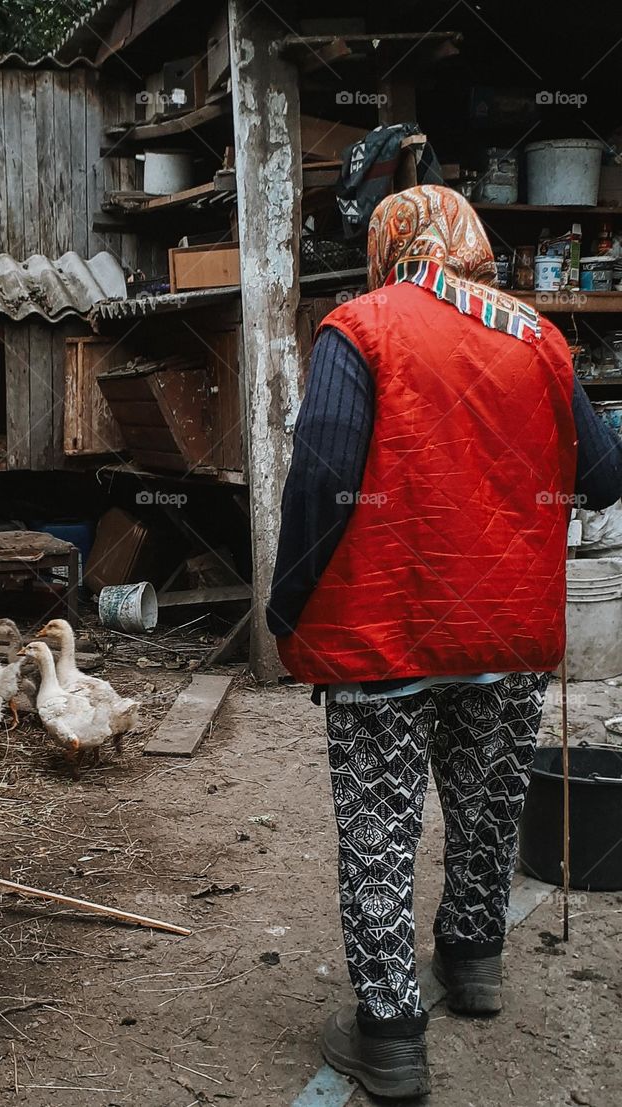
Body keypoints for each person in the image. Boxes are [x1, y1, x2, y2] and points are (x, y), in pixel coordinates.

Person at [267, 185, 622, 1100]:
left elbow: (323, 480)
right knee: (486, 807)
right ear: (471, 242)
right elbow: (605, 472)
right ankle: (473, 963)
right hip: (505, 632)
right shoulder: (538, 338)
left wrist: (287, 607)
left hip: (388, 630)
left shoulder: (363, 327)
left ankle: (388, 1033)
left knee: (381, 832)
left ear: (394, 244)